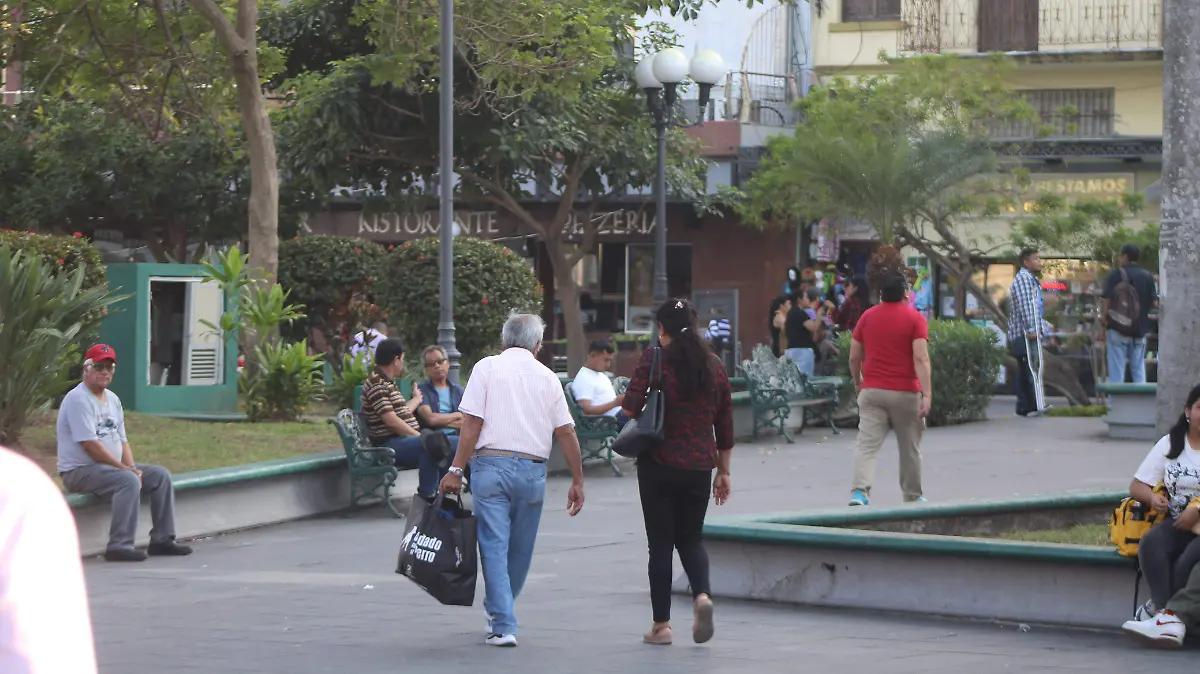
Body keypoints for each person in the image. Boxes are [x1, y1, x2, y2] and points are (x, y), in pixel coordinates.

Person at [438, 313, 586, 648]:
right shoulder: (549, 378)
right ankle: (501, 610)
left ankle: (502, 621)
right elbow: (566, 432)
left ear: (504, 340)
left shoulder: (486, 367)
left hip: (491, 466)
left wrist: (456, 469)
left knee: (493, 545)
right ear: (537, 345)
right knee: (520, 550)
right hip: (533, 471)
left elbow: (471, 424)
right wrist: (578, 479)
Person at [621, 299, 734, 647]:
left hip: (658, 463)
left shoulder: (654, 360)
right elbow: (725, 424)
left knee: (660, 545)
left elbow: (629, 408)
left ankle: (662, 627)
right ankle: (702, 596)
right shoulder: (713, 365)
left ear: (662, 328)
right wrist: (724, 472)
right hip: (700, 465)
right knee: (691, 538)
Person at [57, 344, 193, 562]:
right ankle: (119, 545)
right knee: (127, 480)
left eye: (109, 368)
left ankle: (162, 540)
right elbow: (89, 445)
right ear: (86, 369)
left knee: (160, 476)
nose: (104, 372)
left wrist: (133, 468)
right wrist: (125, 470)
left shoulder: (112, 399)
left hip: (108, 469)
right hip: (79, 471)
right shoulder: (78, 399)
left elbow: (122, 440)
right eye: (99, 366)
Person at [0, 445, 99, 674]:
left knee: (151, 477)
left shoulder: (15, 487)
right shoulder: (15, 488)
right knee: (128, 483)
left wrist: (129, 465)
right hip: (84, 472)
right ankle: (120, 542)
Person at [1118, 383, 1200, 637]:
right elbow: (1137, 485)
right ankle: (1162, 611)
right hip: (1178, 522)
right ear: (1188, 411)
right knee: (1152, 542)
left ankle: (1168, 617)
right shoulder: (1171, 443)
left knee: (1188, 559)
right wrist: (1152, 498)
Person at [847, 272, 931, 507]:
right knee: (910, 447)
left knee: (866, 445)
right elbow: (921, 357)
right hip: (906, 392)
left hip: (872, 391)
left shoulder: (867, 317)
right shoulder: (915, 319)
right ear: (906, 292)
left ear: (881, 293)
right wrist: (927, 394)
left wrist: (858, 382)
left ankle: (859, 493)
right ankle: (912, 496)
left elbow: (854, 356)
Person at [361, 338, 452, 499]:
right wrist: (420, 436)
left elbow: (399, 413)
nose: (402, 363)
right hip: (388, 445)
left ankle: (437, 494)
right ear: (395, 360)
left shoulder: (387, 382)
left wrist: (416, 399)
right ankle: (428, 496)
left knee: (445, 445)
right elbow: (391, 421)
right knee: (433, 444)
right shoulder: (377, 384)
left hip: (401, 441)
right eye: (402, 359)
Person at [1102, 243, 1158, 384]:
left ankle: (1116, 405)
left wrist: (1104, 321)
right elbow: (1154, 304)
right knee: (1139, 370)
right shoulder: (1147, 276)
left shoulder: (1116, 274)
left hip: (1117, 328)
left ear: (1125, 256)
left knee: (1117, 372)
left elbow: (1107, 300)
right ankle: (1141, 405)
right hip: (1139, 330)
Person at [1007, 248, 1047, 417]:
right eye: (1036, 259)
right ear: (1026, 262)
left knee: (1026, 369)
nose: (1040, 262)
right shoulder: (1023, 279)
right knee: (1028, 369)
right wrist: (1032, 329)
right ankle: (1028, 406)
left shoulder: (1029, 279)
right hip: (1023, 333)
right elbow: (1026, 306)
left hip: (1026, 332)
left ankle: (1028, 406)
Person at [414, 345, 465, 456]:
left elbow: (466, 422)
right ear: (426, 369)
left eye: (440, 361)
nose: (437, 366)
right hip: (435, 441)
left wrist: (441, 421)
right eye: (432, 364)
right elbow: (430, 419)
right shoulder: (421, 391)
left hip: (457, 436)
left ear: (447, 363)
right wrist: (456, 415)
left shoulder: (459, 391)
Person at [571, 340, 628, 423]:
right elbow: (587, 411)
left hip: (618, 416)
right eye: (605, 360)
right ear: (593, 356)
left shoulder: (599, 374)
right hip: (609, 422)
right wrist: (615, 403)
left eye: (609, 361)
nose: (608, 365)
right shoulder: (584, 378)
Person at [776, 287, 828, 377]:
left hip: (791, 350)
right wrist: (819, 314)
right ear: (799, 300)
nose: (808, 299)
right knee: (805, 380)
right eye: (805, 297)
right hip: (802, 351)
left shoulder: (790, 313)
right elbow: (814, 327)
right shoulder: (800, 313)